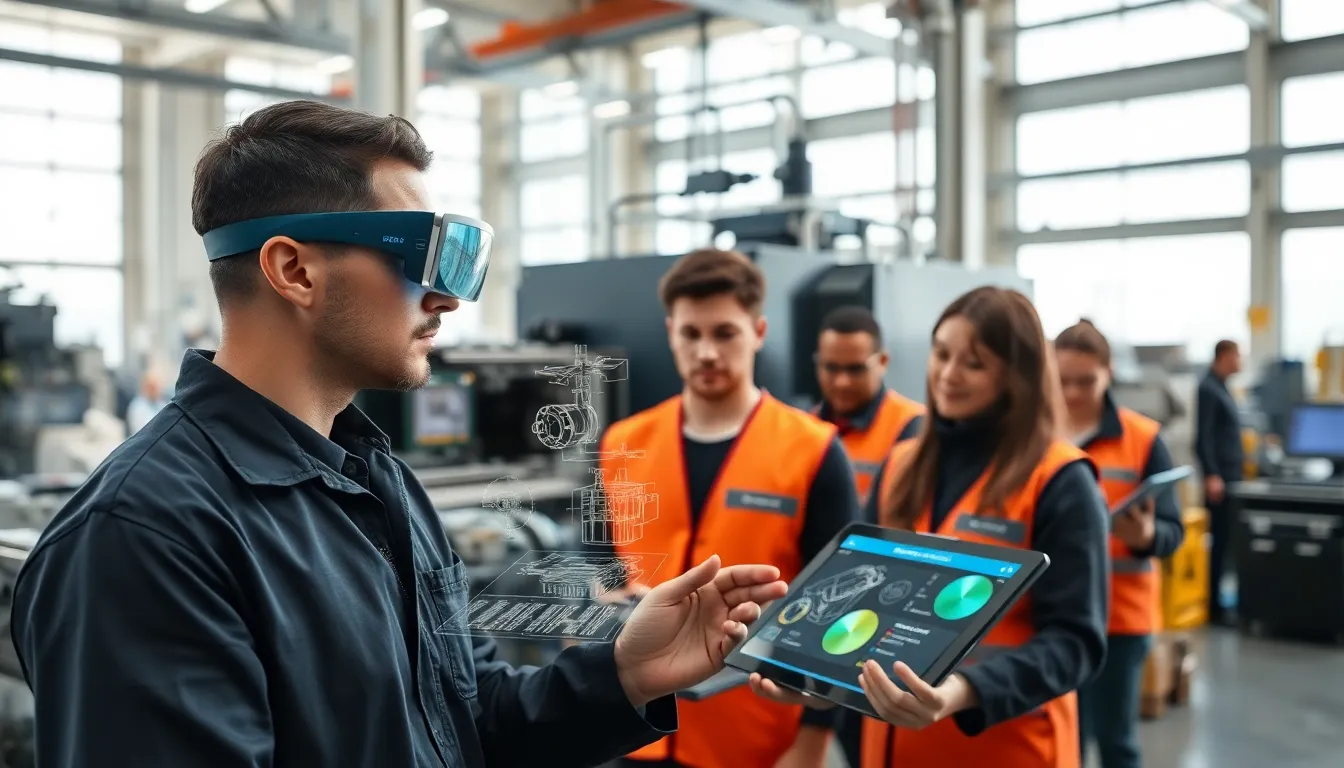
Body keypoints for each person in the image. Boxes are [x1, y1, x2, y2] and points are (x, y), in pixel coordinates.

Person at [8, 100, 792, 768]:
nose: (447, 300)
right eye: (421, 256)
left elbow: (466, 719)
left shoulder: (377, 483)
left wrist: (623, 673)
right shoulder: (145, 537)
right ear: (295, 271)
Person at [751, 286, 1110, 768]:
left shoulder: (1060, 480)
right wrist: (818, 682)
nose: (948, 374)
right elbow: (865, 602)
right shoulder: (901, 465)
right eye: (941, 354)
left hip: (1006, 749)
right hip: (892, 749)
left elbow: (1075, 643)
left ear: (1016, 377)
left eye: (974, 363)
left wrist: (962, 691)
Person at [598, 248, 860, 768]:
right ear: (670, 332)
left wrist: (813, 741)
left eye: (725, 333)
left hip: (756, 735)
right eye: (691, 333)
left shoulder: (814, 451)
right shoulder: (623, 443)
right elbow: (603, 563)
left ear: (758, 331)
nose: (706, 352)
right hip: (634, 727)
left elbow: (842, 611)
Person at [1055, 319, 1186, 768]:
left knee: (1116, 742)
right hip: (1053, 615)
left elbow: (1172, 532)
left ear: (1108, 373)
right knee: (1063, 742)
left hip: (1121, 620)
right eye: (1062, 380)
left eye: (1085, 381)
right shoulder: (1037, 435)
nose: (1072, 393)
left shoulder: (1143, 439)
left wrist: (1146, 536)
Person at [812, 305, 925, 508]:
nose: (842, 382)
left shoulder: (913, 425)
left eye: (855, 369)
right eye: (831, 368)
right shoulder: (805, 426)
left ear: (883, 361)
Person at [1195, 338, 1244, 625]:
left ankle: (1221, 602)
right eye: (1237, 355)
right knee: (1219, 542)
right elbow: (1204, 437)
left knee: (1227, 543)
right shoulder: (1208, 389)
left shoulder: (1222, 387)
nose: (1240, 361)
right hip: (1220, 480)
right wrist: (1212, 474)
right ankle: (1214, 607)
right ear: (1224, 355)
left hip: (1231, 477)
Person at [124, 367, 167, 435]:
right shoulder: (137, 406)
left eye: (158, 387)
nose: (156, 390)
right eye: (152, 387)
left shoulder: (162, 405)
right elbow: (143, 430)